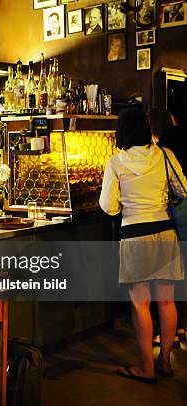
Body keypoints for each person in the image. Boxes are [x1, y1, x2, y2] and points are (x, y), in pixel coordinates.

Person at [100, 108, 186, 382]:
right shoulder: (164, 155)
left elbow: (108, 206)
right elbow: (183, 189)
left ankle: (146, 368)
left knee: (140, 304)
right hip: (165, 231)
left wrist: (127, 204)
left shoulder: (116, 161)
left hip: (136, 234)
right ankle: (165, 362)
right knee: (166, 300)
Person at [149, 107, 187, 347]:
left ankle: (167, 332)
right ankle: (181, 327)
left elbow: (178, 189)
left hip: (175, 218)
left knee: (166, 282)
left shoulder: (163, 150)